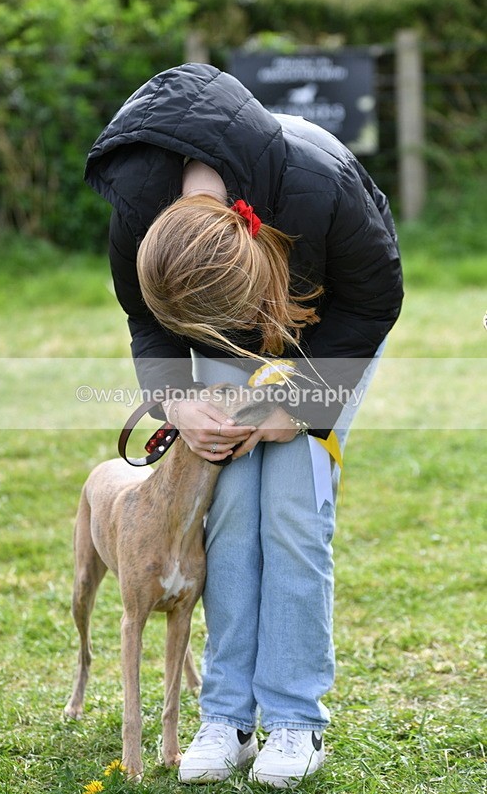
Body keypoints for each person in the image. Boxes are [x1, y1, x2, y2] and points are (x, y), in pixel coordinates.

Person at [85, 63, 403, 787]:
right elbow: (147, 319)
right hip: (220, 323)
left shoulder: (321, 187)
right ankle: (225, 715)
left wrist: (301, 405)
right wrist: (177, 402)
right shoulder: (139, 210)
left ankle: (295, 721)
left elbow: (375, 297)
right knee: (229, 506)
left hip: (331, 329)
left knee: (291, 508)